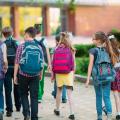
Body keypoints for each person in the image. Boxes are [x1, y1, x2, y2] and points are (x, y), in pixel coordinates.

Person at [86, 31, 118, 120]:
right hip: (107, 77)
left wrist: (88, 79)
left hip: (97, 78)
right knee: (107, 96)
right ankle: (109, 116)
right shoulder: (108, 50)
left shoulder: (93, 51)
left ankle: (99, 117)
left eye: (93, 39)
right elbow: (112, 63)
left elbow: (90, 65)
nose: (92, 40)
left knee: (99, 96)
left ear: (98, 41)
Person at [14, 27, 44, 120]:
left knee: (23, 94)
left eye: (24, 35)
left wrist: (15, 75)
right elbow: (41, 62)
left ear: (27, 35)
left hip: (23, 74)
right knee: (34, 97)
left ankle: (26, 113)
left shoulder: (21, 46)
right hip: (35, 75)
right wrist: (41, 74)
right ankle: (34, 117)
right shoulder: (39, 47)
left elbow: (17, 62)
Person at [51, 32, 76, 120]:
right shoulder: (71, 49)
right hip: (68, 72)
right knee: (69, 93)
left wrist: (53, 75)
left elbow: (53, 62)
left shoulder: (56, 48)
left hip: (59, 73)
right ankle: (72, 113)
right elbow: (74, 63)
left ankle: (57, 109)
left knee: (59, 91)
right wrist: (73, 73)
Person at [2, 27, 21, 117]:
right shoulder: (16, 42)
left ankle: (9, 110)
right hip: (16, 68)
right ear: (12, 33)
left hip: (6, 69)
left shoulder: (2, 44)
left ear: (3, 34)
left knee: (7, 90)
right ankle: (18, 106)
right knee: (17, 87)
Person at [34, 24, 51, 103]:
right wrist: (50, 64)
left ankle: (39, 94)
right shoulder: (44, 40)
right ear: (41, 32)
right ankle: (40, 94)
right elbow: (47, 53)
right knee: (42, 79)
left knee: (37, 78)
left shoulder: (32, 40)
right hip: (43, 63)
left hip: (34, 62)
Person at [51, 34, 67, 103]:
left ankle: (55, 93)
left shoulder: (54, 49)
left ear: (57, 41)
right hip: (65, 68)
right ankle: (63, 97)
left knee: (56, 82)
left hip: (57, 68)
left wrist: (52, 67)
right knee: (64, 83)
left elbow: (52, 60)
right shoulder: (66, 48)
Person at [108, 34, 120, 120]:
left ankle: (118, 113)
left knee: (116, 95)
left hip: (113, 73)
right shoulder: (119, 51)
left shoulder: (109, 52)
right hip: (119, 72)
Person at [0, 39, 8, 120]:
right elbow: (5, 60)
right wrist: (5, 68)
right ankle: (1, 110)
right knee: (0, 92)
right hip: (0, 73)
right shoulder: (2, 44)